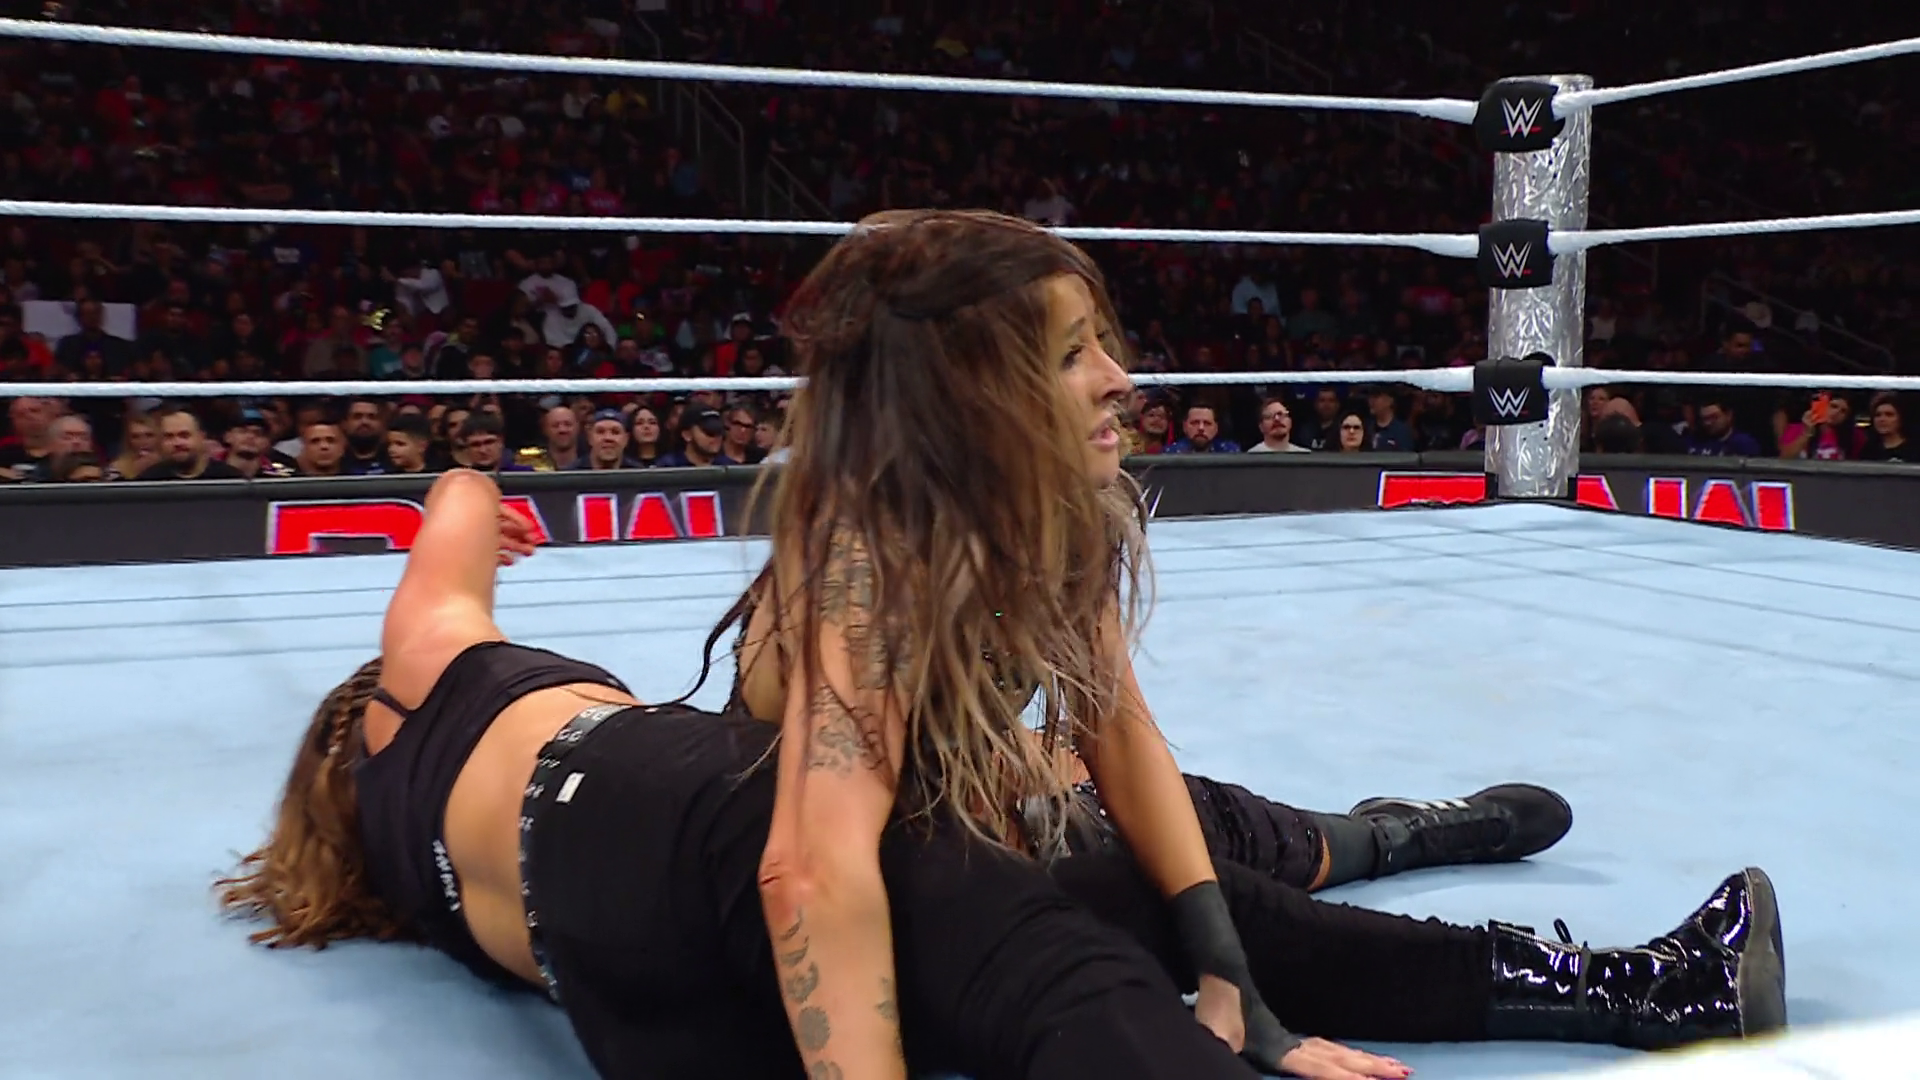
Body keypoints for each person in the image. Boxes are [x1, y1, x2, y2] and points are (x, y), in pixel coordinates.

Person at [219, 469, 1786, 1080]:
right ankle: (1574, 960)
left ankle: (1616, 975)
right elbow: (452, 509)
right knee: (1071, 884)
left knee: (1049, 850)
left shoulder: (418, 859)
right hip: (671, 833)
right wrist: (487, 517)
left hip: (641, 978)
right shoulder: (418, 692)